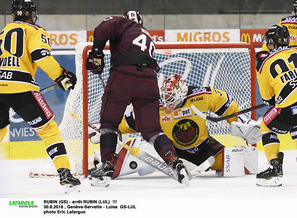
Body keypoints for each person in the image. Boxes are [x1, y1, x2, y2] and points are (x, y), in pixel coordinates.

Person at [85, 11, 190, 187]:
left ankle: (107, 167)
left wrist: (97, 54)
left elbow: (102, 28)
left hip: (123, 77)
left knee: (109, 124)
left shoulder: (123, 22)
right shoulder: (147, 35)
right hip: (149, 81)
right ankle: (176, 163)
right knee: (153, 131)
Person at [88, 74, 260, 178]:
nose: (167, 104)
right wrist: (105, 130)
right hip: (169, 150)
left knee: (246, 165)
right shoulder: (156, 105)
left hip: (203, 147)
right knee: (132, 160)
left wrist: (243, 124)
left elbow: (228, 106)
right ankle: (101, 161)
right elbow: (128, 123)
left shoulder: (202, 95)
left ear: (182, 93)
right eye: (166, 98)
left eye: (172, 99)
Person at [0, 0, 80, 192]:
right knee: (49, 130)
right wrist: (61, 75)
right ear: (29, 14)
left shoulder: (2, 33)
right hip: (22, 89)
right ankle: (65, 174)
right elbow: (41, 56)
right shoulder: (35, 31)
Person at [255, 24, 297, 187]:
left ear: (276, 42)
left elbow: (268, 97)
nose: (269, 45)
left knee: (266, 124)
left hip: (288, 107)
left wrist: (274, 101)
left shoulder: (265, 63)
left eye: (271, 42)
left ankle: (275, 167)